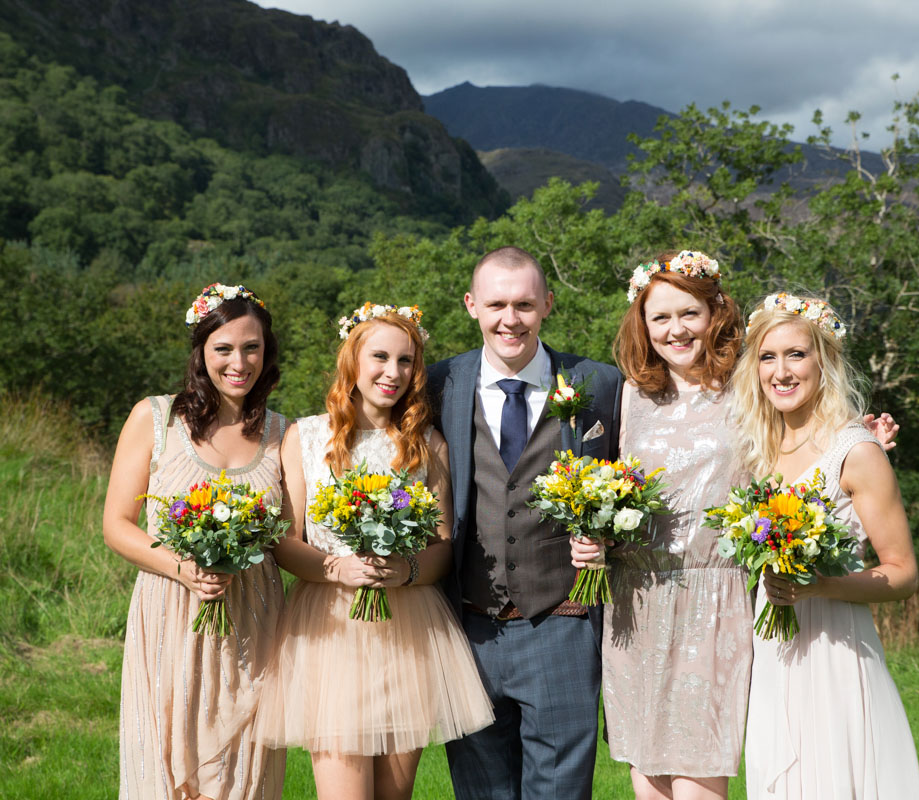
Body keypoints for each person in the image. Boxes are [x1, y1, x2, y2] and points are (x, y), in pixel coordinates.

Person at [569, 254, 899, 800]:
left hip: (714, 603)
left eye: (689, 313)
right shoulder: (629, 395)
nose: (676, 330)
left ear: (715, 313)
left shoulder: (745, 392)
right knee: (648, 781)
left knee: (698, 782)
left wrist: (862, 444)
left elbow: (803, 448)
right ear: (642, 325)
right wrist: (596, 537)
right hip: (636, 602)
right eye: (660, 318)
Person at [254, 303, 493, 800]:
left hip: (409, 632)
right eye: (380, 357)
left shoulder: (427, 444)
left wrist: (404, 570)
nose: (393, 372)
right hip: (331, 630)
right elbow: (284, 541)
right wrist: (337, 568)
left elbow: (443, 546)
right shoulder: (307, 437)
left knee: (393, 795)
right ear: (352, 361)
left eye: (407, 361)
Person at [427, 246, 624, 800]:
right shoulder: (439, 383)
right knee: (480, 789)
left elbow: (648, 470)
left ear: (547, 305)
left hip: (563, 621)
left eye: (524, 304)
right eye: (495, 304)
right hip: (468, 626)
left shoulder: (599, 385)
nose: (509, 319)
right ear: (471, 305)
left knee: (560, 789)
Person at [732, 291, 919, 799]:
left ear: (825, 360)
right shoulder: (758, 452)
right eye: (768, 357)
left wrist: (821, 586)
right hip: (774, 648)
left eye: (797, 354)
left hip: (835, 649)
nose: (781, 371)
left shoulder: (856, 452)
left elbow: (903, 573)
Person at [103, 283, 287, 800]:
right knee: (166, 763)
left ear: (266, 354)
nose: (239, 362)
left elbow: (289, 536)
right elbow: (117, 522)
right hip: (170, 613)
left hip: (254, 616)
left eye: (251, 348)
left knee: (242, 771)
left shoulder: (282, 432)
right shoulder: (155, 418)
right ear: (201, 351)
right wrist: (182, 567)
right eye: (223, 348)